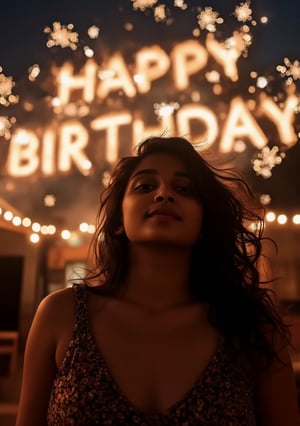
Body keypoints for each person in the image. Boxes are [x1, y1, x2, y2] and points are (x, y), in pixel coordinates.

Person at [16, 136, 300, 426]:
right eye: (145, 186)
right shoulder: (59, 315)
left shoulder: (253, 327)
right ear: (117, 221)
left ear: (204, 222)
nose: (164, 194)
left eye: (184, 189)